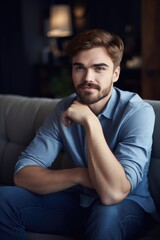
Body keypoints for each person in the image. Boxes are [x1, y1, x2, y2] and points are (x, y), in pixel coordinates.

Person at [0, 29, 156, 240]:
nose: (87, 78)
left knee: (106, 213)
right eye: (79, 68)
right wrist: (80, 175)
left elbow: (113, 194)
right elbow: (23, 174)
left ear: (116, 74)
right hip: (79, 202)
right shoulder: (64, 108)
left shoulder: (138, 112)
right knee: (4, 199)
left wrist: (90, 122)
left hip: (127, 206)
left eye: (99, 68)